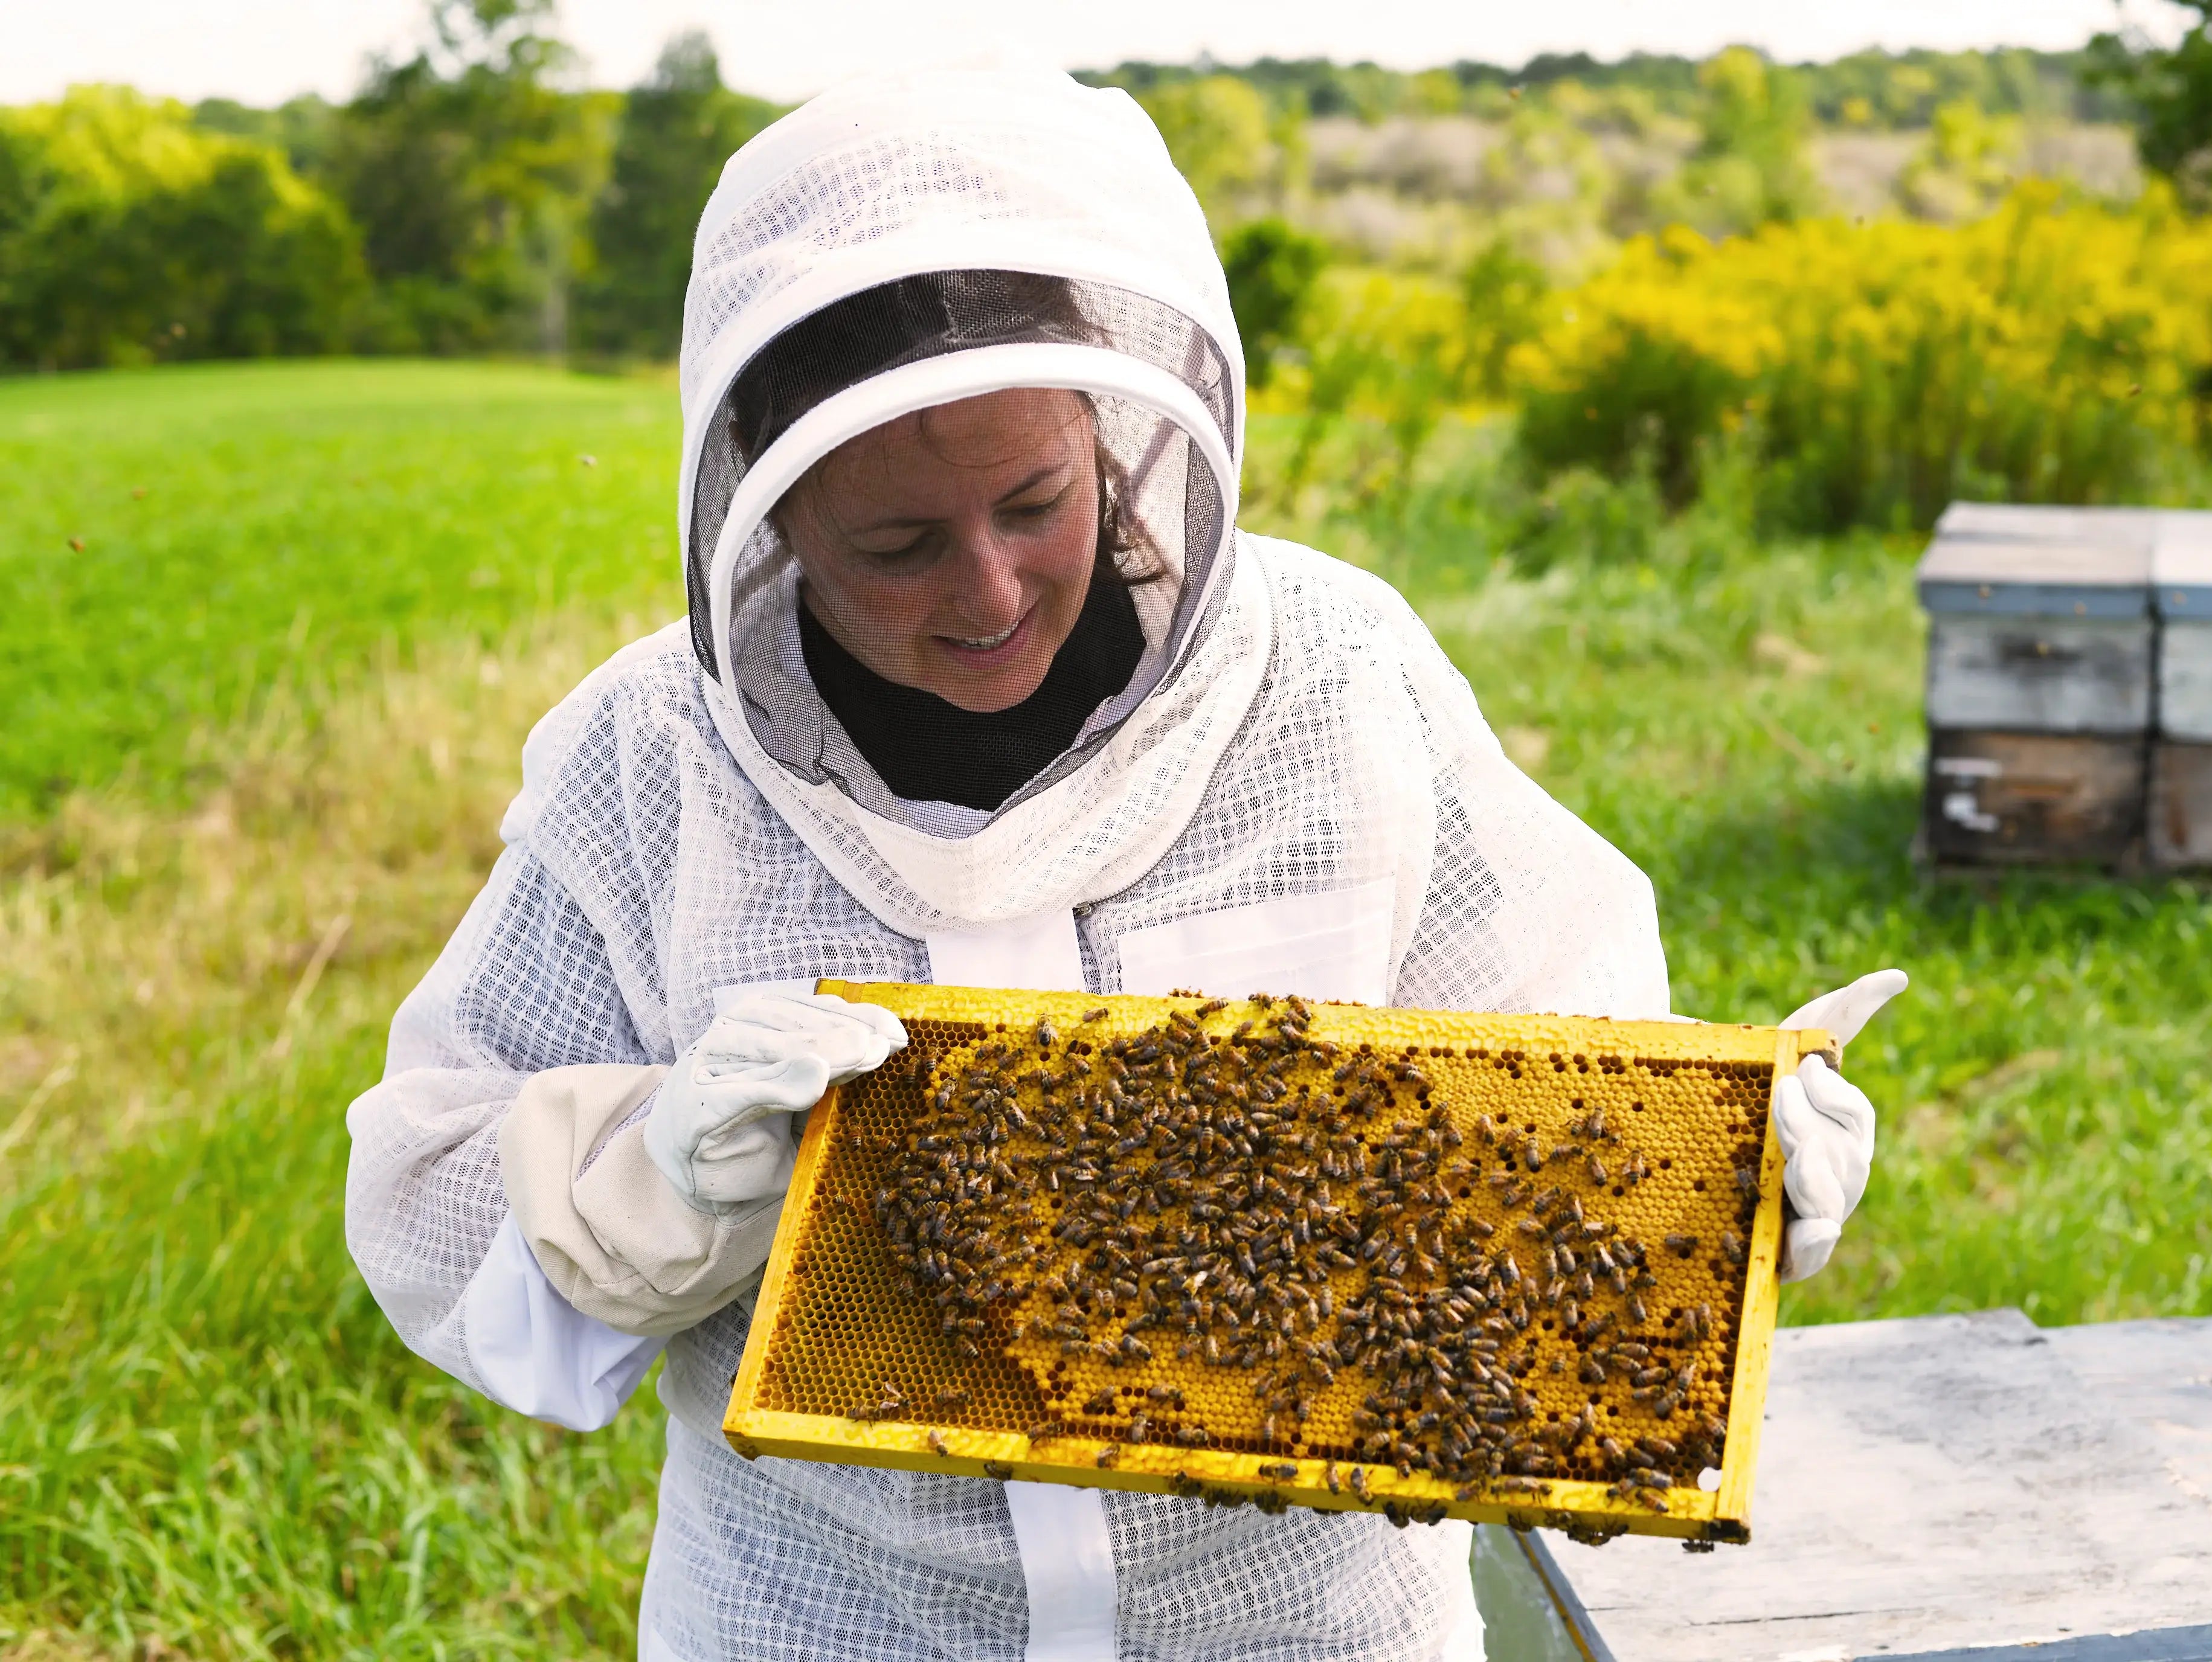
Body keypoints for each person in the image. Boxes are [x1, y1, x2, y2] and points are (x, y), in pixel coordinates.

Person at [342, 66, 1903, 1662]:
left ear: (1114, 426)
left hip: (1314, 1628)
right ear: (769, 500)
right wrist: (650, 1177)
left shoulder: (1339, 682)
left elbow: (1567, 1073)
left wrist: (1717, 1179)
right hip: (832, 1622)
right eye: (898, 545)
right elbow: (426, 1197)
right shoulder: (650, 763)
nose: (993, 591)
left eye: (1037, 500)